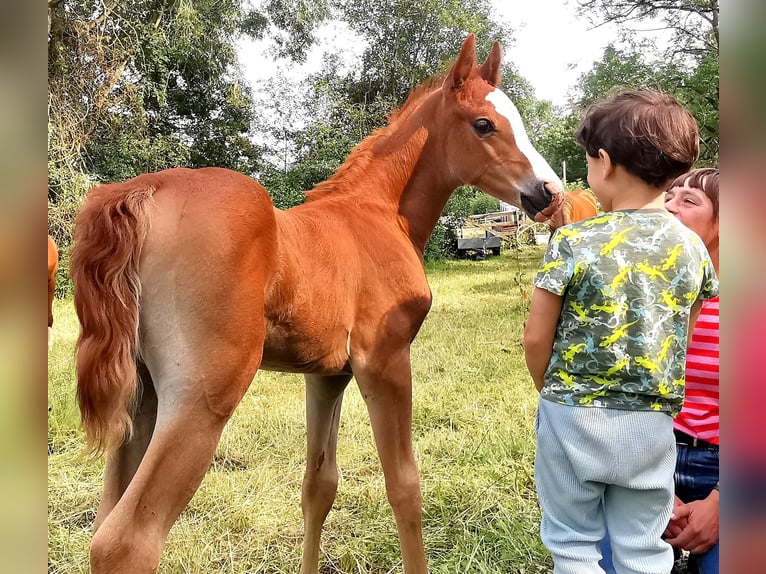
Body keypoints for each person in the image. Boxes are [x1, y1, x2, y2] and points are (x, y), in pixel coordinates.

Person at [524, 90, 719, 574]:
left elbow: (534, 338)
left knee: (572, 543)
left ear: (603, 163)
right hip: (651, 424)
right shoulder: (692, 247)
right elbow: (684, 336)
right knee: (642, 547)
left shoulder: (573, 240)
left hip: (570, 412)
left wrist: (553, 396)